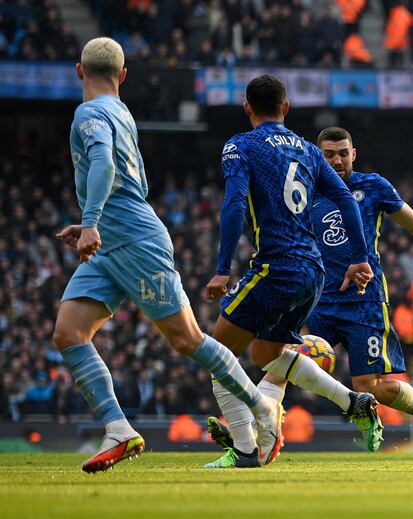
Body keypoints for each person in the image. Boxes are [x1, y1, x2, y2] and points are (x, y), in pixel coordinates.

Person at [54, 38, 279, 473]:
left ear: (79, 72)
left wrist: (93, 220)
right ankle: (119, 428)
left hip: (133, 242)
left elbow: (103, 162)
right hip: (110, 244)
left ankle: (261, 407)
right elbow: (120, 177)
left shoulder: (90, 113)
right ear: (123, 76)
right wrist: (92, 224)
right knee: (69, 333)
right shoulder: (120, 111)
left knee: (186, 339)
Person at [206, 126, 413, 465]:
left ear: (353, 154)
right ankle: (254, 436)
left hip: (364, 303)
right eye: (329, 155)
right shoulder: (302, 189)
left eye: (343, 153)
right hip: (316, 299)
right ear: (318, 156)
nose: (337, 160)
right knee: (277, 363)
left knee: (372, 387)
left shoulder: (373, 186)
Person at [201, 77, 381, 468]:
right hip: (312, 271)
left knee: (217, 355)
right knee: (266, 352)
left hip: (277, 266)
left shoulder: (240, 146)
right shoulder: (307, 149)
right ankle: (353, 401)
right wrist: (360, 256)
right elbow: (345, 201)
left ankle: (248, 446)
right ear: (286, 108)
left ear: (247, 107)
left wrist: (221, 269)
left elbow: (233, 205)